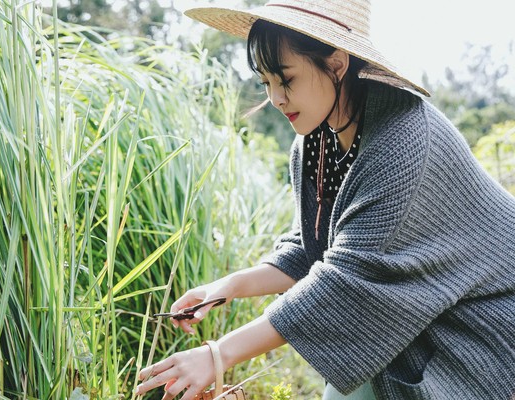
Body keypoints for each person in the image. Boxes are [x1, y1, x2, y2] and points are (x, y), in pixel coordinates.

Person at [135, 1, 515, 399]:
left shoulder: (403, 138)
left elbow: (345, 280)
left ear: (336, 63)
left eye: (286, 79)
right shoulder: (315, 144)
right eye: (266, 82)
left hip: (485, 322)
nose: (277, 98)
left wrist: (218, 354)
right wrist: (227, 286)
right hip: (423, 315)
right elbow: (311, 251)